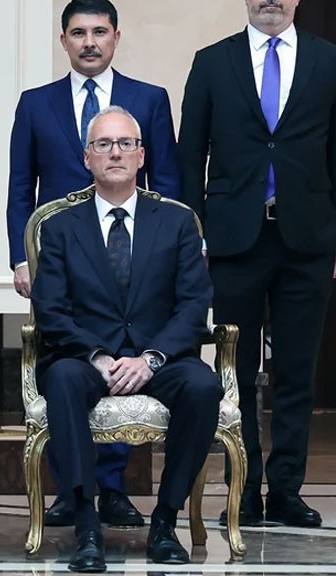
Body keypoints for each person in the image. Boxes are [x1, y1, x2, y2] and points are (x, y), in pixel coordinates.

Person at [179, 0, 336, 528]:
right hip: (233, 242)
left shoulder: (330, 62)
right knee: (234, 374)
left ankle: (285, 491)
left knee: (297, 374)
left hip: (308, 240)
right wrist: (194, 235)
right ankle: (244, 489)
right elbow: (189, 157)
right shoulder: (213, 62)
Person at [7, 0, 180, 528]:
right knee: (69, 366)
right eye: (79, 33)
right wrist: (21, 258)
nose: (89, 43)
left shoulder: (148, 99)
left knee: (124, 355)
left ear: (116, 37)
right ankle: (71, 488)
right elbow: (20, 188)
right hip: (63, 263)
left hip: (130, 256)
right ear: (63, 41)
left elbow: (167, 182)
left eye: (99, 32)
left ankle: (114, 488)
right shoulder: (36, 104)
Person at [33, 106, 221, 571]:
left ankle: (165, 521)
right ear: (87, 159)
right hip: (85, 357)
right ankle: (86, 525)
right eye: (103, 144)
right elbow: (51, 311)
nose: (115, 153)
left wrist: (151, 358)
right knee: (62, 380)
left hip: (160, 356)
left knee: (203, 386)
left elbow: (193, 304)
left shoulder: (177, 222)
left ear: (141, 156)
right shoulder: (59, 228)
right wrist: (97, 356)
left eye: (125, 144)